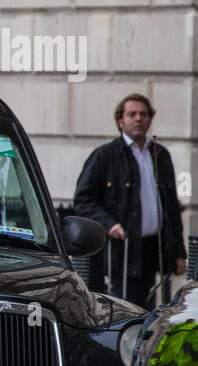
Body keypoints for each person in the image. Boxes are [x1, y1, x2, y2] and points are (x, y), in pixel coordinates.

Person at [74, 93, 186, 306]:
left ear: (150, 119)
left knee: (156, 310)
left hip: (156, 249)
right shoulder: (105, 156)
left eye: (143, 114)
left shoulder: (160, 155)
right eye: (132, 114)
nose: (138, 119)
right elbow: (83, 199)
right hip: (124, 250)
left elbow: (171, 207)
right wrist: (109, 224)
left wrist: (179, 253)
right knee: (129, 308)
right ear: (120, 121)